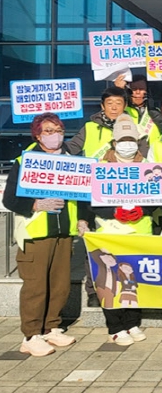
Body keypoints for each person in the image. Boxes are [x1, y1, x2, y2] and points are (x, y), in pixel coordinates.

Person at [2, 113, 81, 356]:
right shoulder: (25, 161)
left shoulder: (71, 161)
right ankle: (31, 335)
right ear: (37, 135)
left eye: (58, 130)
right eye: (48, 131)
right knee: (35, 286)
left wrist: (83, 219)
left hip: (63, 232)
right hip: (36, 233)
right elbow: (10, 199)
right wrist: (35, 205)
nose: (54, 135)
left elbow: (82, 196)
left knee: (59, 284)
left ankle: (51, 328)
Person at [66, 86, 145, 307]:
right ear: (102, 106)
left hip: (130, 192)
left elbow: (147, 158)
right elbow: (70, 149)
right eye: (109, 103)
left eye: (118, 103)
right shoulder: (90, 127)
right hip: (96, 194)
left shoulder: (136, 127)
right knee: (94, 246)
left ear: (125, 106)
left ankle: (129, 289)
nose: (114, 107)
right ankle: (94, 291)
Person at [80, 114, 152, 346]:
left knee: (134, 279)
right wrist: (114, 212)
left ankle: (132, 322)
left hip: (138, 232)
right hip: (109, 231)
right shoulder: (101, 167)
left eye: (131, 140)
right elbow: (90, 202)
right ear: (114, 143)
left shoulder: (147, 166)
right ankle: (115, 326)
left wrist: (142, 210)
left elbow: (156, 199)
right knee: (109, 279)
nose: (127, 144)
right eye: (122, 140)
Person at [115, 73, 162, 139]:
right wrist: (118, 91)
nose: (138, 92)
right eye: (134, 89)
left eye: (141, 89)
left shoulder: (157, 111)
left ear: (147, 91)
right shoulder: (122, 110)